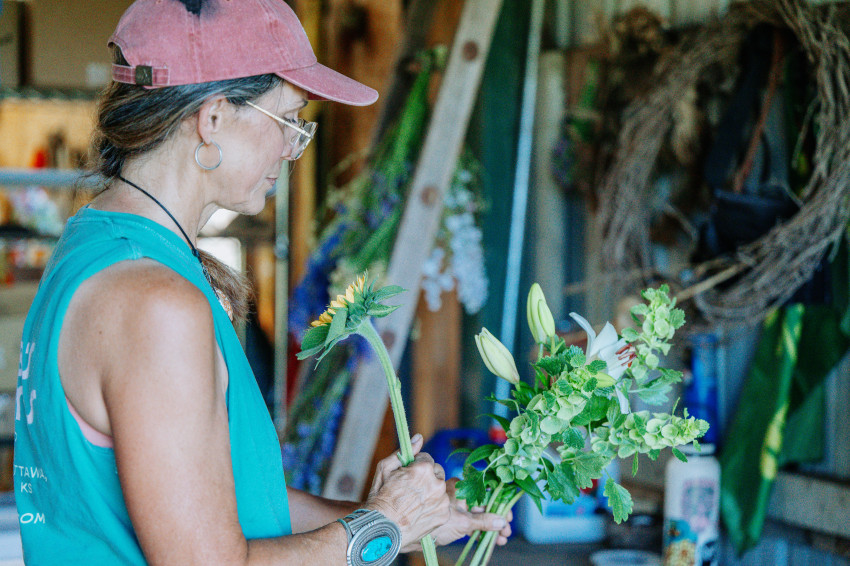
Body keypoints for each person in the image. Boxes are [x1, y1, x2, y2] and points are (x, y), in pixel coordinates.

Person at [13, 0, 510, 563]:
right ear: (215, 116)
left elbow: (217, 499)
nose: (293, 147)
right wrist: (384, 522)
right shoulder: (154, 303)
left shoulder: (96, 248)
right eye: (288, 120)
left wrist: (401, 518)